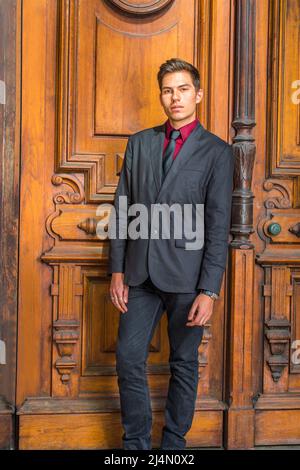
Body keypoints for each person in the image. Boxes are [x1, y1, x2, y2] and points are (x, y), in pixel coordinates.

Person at [107, 58, 235, 450]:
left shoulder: (217, 152)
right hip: (139, 275)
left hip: (189, 278)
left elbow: (218, 226)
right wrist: (116, 271)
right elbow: (122, 208)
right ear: (161, 96)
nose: (174, 97)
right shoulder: (140, 143)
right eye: (167, 90)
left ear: (197, 94)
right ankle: (137, 445)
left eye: (182, 89)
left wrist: (209, 291)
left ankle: (174, 445)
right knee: (128, 359)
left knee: (183, 364)